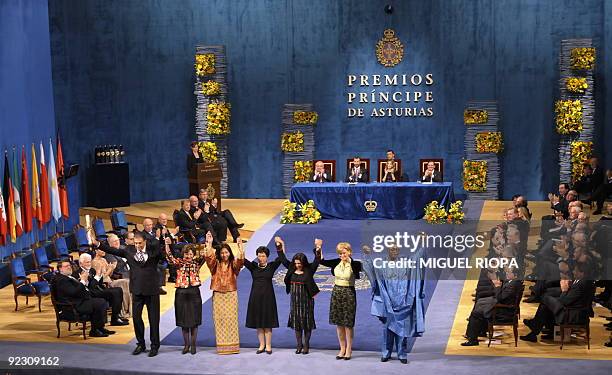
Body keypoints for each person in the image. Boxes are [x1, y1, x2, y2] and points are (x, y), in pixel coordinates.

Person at [93, 231, 166, 357]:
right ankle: (141, 344)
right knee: (137, 318)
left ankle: (154, 345)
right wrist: (97, 244)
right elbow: (113, 250)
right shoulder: (129, 250)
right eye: (135, 243)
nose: (137, 245)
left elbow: (161, 251)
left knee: (154, 320)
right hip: (137, 290)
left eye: (140, 243)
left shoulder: (153, 250)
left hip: (152, 290)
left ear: (145, 242)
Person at [362, 245, 425, 363]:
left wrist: (422, 244)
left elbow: (417, 259)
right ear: (388, 251)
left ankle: (402, 354)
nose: (395, 251)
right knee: (387, 329)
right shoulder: (382, 264)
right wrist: (366, 255)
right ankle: (386, 353)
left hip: (403, 302)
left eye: (396, 249)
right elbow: (370, 268)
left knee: (402, 330)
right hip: (387, 301)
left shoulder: (405, 263)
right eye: (392, 249)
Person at [275, 236, 320, 354]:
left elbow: (317, 260)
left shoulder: (309, 270)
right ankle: (299, 345)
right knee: (297, 323)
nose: (297, 265)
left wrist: (318, 247)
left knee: (307, 323)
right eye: (296, 263)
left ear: (303, 262)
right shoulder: (291, 268)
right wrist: (279, 245)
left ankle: (306, 345)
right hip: (294, 302)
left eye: (299, 263)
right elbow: (283, 258)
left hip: (307, 301)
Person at [318, 241, 362, 360]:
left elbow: (365, 266)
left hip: (348, 293)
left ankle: (349, 349)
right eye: (340, 254)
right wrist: (318, 247)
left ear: (349, 252)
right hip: (336, 292)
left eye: (344, 253)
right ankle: (342, 348)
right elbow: (322, 261)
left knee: (348, 323)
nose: (342, 256)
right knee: (339, 323)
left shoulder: (355, 264)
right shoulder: (337, 262)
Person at [204, 234, 245, 354]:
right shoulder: (215, 264)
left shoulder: (233, 264)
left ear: (229, 253)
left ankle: (233, 346)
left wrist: (240, 248)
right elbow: (208, 258)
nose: (224, 255)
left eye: (226, 252)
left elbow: (240, 263)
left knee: (232, 319)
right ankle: (222, 347)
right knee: (220, 319)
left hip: (231, 294)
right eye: (222, 253)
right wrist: (210, 243)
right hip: (218, 295)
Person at [461, 268, 522, 346]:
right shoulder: (513, 282)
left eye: (509, 273)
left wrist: (497, 286)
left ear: (515, 275)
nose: (507, 274)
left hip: (504, 312)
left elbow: (501, 298)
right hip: (503, 307)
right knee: (480, 302)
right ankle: (481, 331)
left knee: (476, 314)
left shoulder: (513, 285)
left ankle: (472, 339)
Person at [164, 241, 207, 355]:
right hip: (181, 293)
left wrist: (208, 242)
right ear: (183, 255)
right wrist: (167, 245)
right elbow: (169, 257)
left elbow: (206, 253)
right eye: (186, 254)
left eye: (190, 254)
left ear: (194, 255)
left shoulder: (197, 263)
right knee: (183, 321)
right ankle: (186, 345)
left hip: (194, 293)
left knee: (194, 321)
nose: (188, 256)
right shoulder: (179, 263)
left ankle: (193, 345)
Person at [52, 260, 114, 338]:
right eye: (66, 266)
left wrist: (84, 282)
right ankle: (95, 330)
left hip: (79, 301)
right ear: (60, 269)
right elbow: (73, 292)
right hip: (72, 305)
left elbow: (76, 291)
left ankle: (100, 328)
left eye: (69, 265)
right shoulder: (62, 280)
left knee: (101, 301)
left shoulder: (67, 277)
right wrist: (82, 281)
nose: (69, 267)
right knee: (100, 302)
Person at [244, 244, 283, 354]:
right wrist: (240, 247)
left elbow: (281, 258)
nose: (261, 258)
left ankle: (268, 345)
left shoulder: (271, 266)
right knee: (259, 322)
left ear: (267, 257)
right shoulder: (253, 267)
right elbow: (242, 259)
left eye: (263, 256)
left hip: (268, 297)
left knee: (268, 322)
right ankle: (261, 345)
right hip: (255, 297)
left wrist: (280, 246)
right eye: (259, 256)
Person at [75, 253, 127, 326]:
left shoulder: (92, 270)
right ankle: (115, 320)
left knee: (118, 290)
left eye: (90, 261)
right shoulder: (78, 273)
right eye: (87, 262)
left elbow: (99, 282)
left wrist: (100, 275)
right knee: (114, 293)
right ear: (81, 263)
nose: (89, 264)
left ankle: (116, 317)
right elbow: (90, 286)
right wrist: (97, 276)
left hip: (98, 289)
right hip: (90, 293)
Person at [92, 242, 131, 319]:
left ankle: (127, 310)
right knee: (125, 283)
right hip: (104, 284)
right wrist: (110, 270)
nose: (103, 251)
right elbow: (99, 278)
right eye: (101, 250)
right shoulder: (94, 262)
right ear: (96, 251)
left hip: (110, 280)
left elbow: (109, 275)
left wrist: (112, 269)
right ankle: (122, 312)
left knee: (127, 282)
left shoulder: (103, 259)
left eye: (104, 250)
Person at [141, 218, 168, 295]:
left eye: (151, 225)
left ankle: (160, 286)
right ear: (144, 226)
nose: (150, 227)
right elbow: (150, 245)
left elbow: (159, 243)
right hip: (149, 258)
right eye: (148, 225)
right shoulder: (143, 235)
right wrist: (157, 238)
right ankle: (157, 288)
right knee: (158, 270)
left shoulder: (153, 232)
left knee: (163, 267)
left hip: (157, 255)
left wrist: (163, 236)